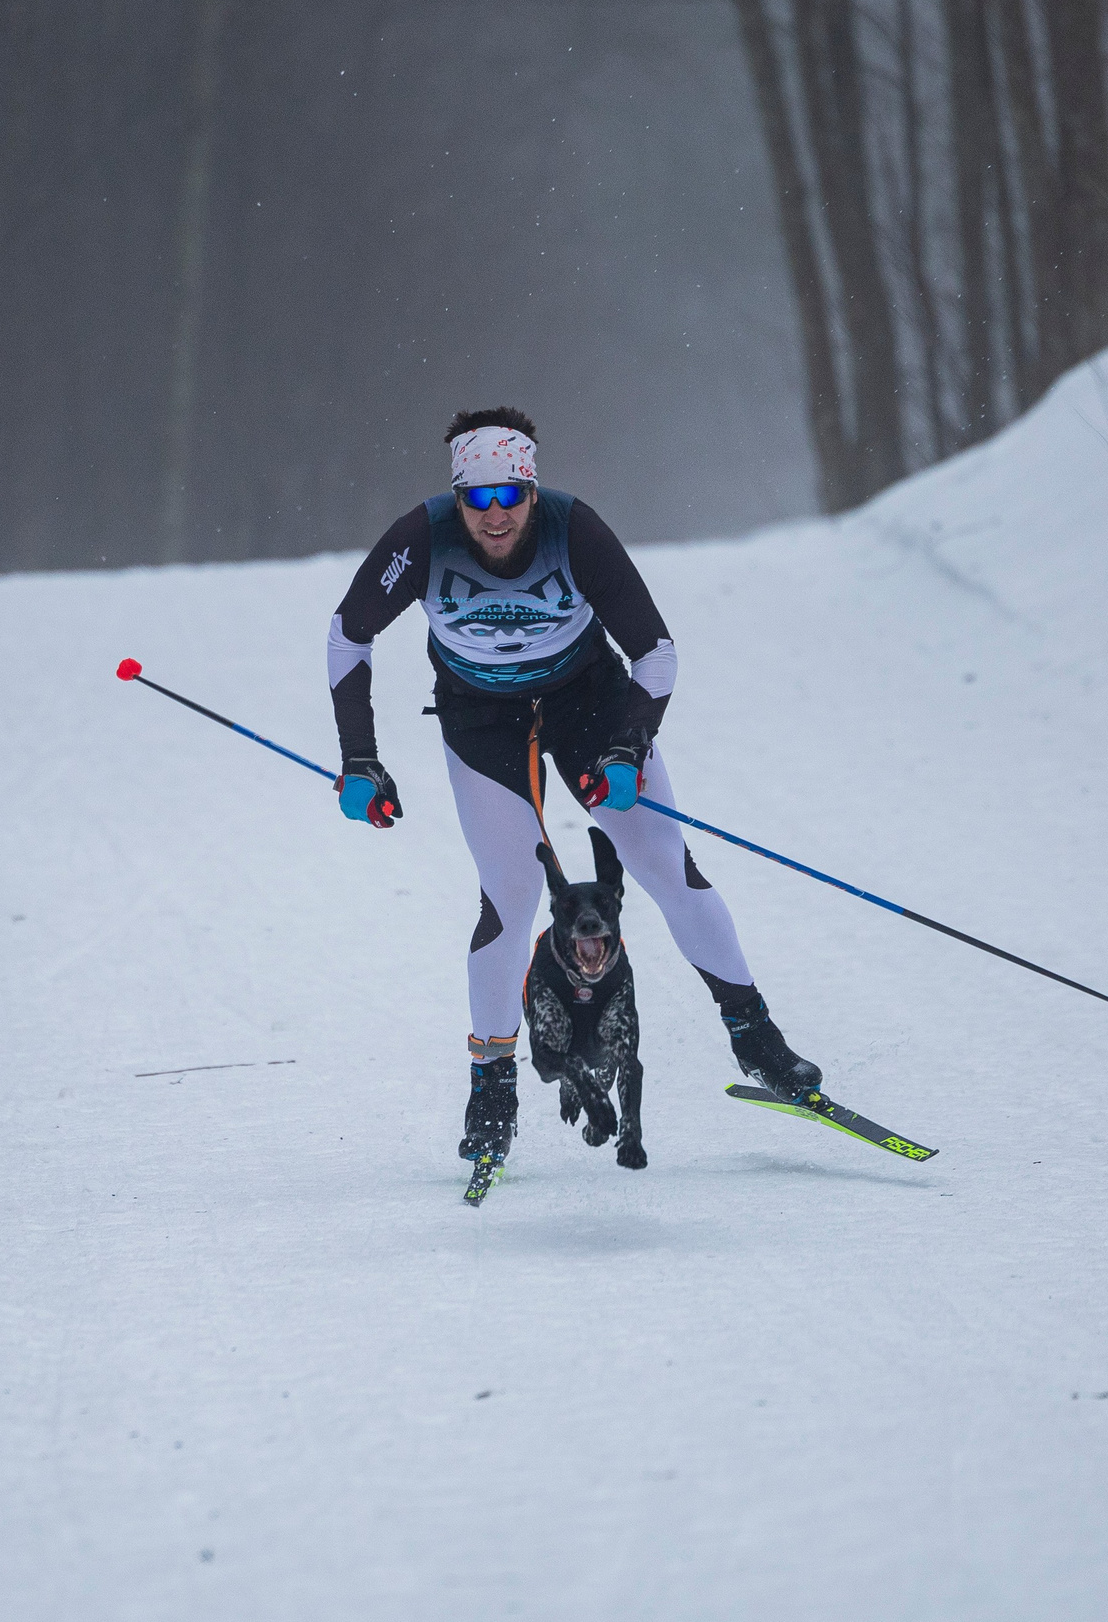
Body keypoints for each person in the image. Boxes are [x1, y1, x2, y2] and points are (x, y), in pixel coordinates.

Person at [324, 406, 824, 1165]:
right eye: (478, 500)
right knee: (512, 897)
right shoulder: (420, 539)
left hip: (588, 703)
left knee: (665, 865)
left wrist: (628, 745)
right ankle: (492, 1085)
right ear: (458, 499)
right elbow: (347, 634)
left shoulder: (574, 529)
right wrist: (359, 757)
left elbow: (654, 652)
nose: (495, 518)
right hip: (481, 719)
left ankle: (755, 1037)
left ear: (532, 488)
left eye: (510, 498)